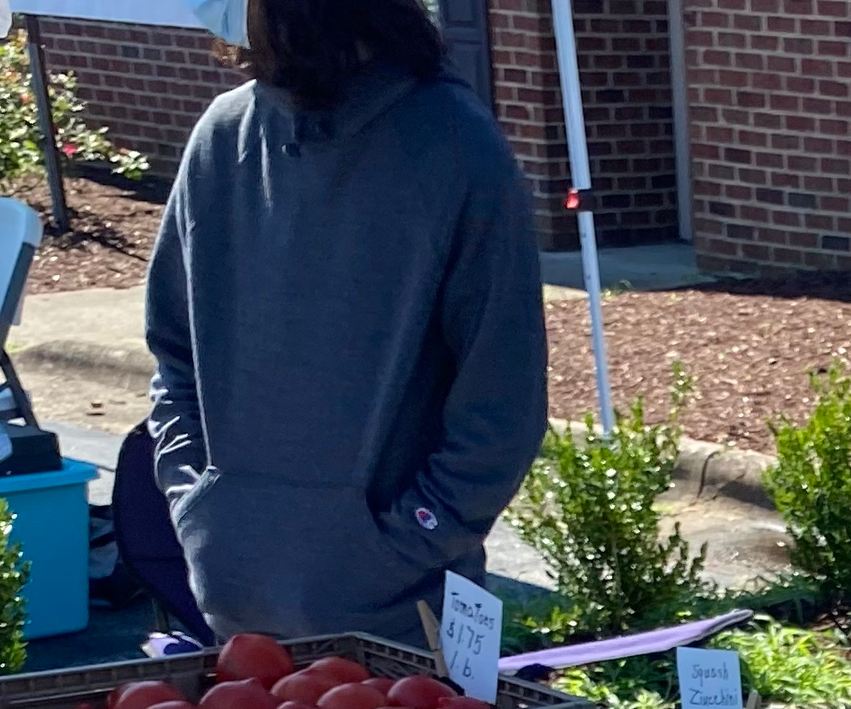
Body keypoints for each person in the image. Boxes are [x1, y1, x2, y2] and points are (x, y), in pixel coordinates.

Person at [144, 0, 548, 647]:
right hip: (236, 621)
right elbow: (173, 355)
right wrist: (200, 505)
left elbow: (503, 399)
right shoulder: (221, 137)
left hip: (409, 630)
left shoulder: (455, 144)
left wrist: (407, 540)